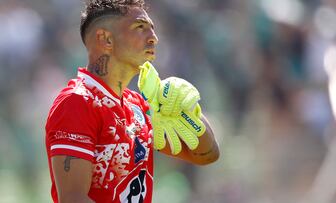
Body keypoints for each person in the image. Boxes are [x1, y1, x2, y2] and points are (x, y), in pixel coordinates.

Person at [45, 0, 219, 202]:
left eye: (152, 29)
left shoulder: (138, 106)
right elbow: (73, 199)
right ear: (105, 39)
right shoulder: (77, 103)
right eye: (140, 27)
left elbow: (207, 154)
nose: (153, 38)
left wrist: (187, 110)